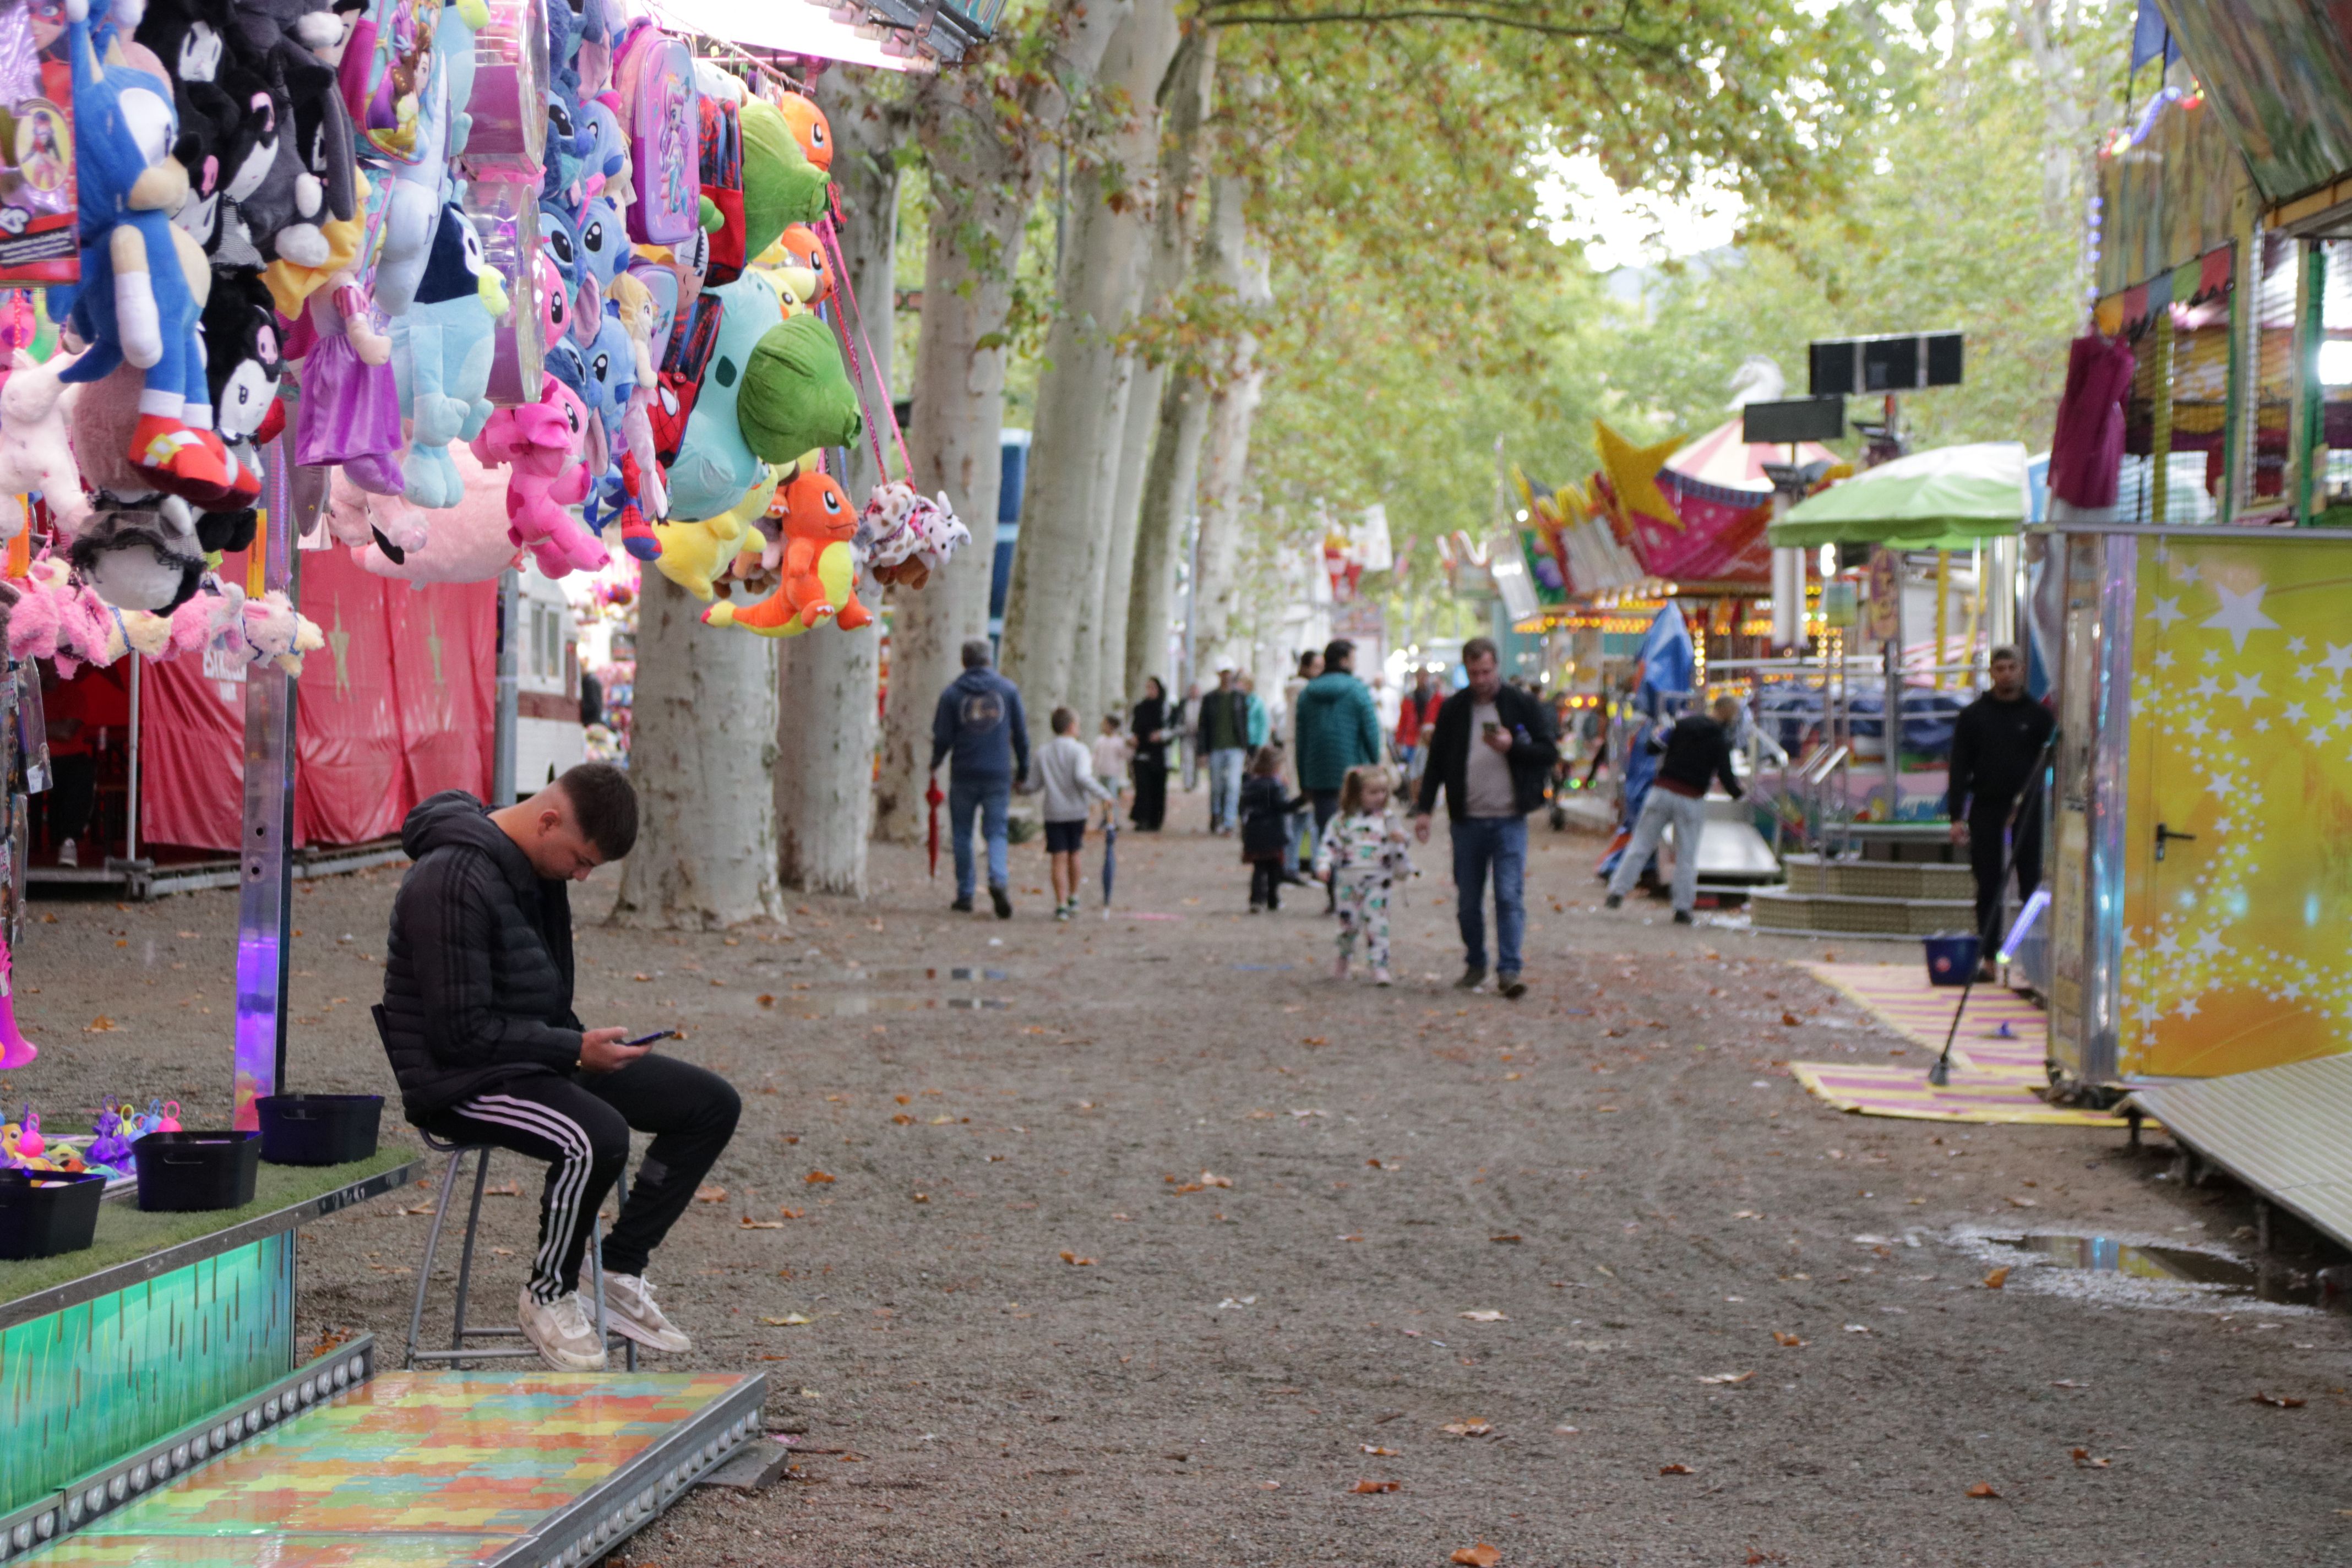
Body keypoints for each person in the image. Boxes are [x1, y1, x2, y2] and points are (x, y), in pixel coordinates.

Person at [377, 765, 739, 1372]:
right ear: (548, 820)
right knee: (597, 1136)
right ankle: (548, 1292)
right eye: (581, 859)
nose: (581, 875)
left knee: (710, 1104)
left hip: (530, 1057)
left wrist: (581, 1046)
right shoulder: (449, 879)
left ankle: (618, 1267)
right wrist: (573, 1051)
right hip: (457, 1080)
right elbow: (458, 1034)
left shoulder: (534, 868)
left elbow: (539, 1002)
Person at [1413, 638, 1560, 997]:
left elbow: (1548, 751)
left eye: (1487, 671)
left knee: (1509, 895)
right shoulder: (1454, 709)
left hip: (1510, 818)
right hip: (1467, 820)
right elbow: (1436, 763)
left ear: (1497, 667)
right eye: (1475, 673)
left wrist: (1515, 747)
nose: (1481, 679)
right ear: (1467, 670)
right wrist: (1424, 809)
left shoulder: (1521, 704)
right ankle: (1476, 962)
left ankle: (1509, 969)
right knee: (1468, 900)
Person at [1947, 646, 2056, 963]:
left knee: (2030, 882)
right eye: (2000, 668)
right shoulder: (1973, 717)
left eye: (2012, 667)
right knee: (1988, 883)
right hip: (1986, 807)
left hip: (2027, 809)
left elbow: (2054, 761)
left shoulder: (2039, 717)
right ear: (1992, 673)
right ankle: (1989, 958)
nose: (2006, 674)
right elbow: (1958, 766)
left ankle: (2031, 957)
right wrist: (1956, 817)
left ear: (2022, 670)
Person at [1603, 694, 1744, 925]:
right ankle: (1682, 908)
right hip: (1692, 798)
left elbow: (1652, 747)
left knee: (1640, 844)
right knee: (1686, 856)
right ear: (1727, 711)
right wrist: (1738, 794)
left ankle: (1617, 893)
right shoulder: (1720, 737)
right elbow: (1726, 774)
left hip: (1662, 791)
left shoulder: (1682, 724)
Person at [930, 638, 1030, 918]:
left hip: (964, 771)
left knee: (962, 833)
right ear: (990, 659)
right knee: (997, 831)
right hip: (998, 772)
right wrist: (1023, 769)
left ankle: (965, 894)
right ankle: (998, 878)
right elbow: (1021, 735)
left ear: (964, 661)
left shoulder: (952, 694)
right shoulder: (1008, 691)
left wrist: (936, 761)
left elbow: (943, 736)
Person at [1295, 639, 1385, 906]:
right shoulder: (1358, 691)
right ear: (1345, 661)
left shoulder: (1307, 693)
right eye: (1354, 658)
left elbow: (1301, 740)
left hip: (1319, 774)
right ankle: (1354, 892)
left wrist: (1304, 778)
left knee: (1328, 835)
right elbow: (1371, 731)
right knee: (1355, 834)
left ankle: (1334, 893)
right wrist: (1374, 766)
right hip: (1353, 774)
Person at [1315, 764, 1413, 986]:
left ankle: (1379, 966)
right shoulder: (1342, 821)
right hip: (1349, 882)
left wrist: (1402, 839)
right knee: (1348, 926)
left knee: (1378, 925)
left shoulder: (1388, 819)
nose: (1380, 797)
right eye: (1373, 792)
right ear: (1358, 794)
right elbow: (1329, 844)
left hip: (1379, 881)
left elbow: (1404, 841)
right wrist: (1324, 864)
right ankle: (1343, 958)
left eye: (1383, 792)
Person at [1036, 706, 1114, 921]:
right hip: (1076, 811)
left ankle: (1060, 903)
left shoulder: (1043, 752)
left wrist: (1018, 785)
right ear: (1072, 727)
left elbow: (1033, 784)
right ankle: (1074, 896)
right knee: (1075, 854)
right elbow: (1083, 777)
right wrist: (1104, 794)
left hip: (1053, 812)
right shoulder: (1080, 751)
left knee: (1058, 858)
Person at [1238, 745, 1306, 912]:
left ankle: (1256, 900)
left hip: (1254, 832)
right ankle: (1273, 899)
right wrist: (1301, 800)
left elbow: (1242, 808)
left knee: (1259, 868)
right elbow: (1282, 807)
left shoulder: (1249, 785)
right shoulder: (1275, 786)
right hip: (1273, 832)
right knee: (1274, 869)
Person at [1197, 662, 1251, 834]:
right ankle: (1216, 816)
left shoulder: (1240, 697)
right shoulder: (1210, 698)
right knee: (1217, 786)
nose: (1226, 676)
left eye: (1229, 673)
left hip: (1236, 748)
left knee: (1234, 785)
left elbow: (1244, 724)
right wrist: (1202, 751)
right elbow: (1203, 726)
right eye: (1223, 673)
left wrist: (1247, 749)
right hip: (1215, 747)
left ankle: (1229, 822)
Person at [1129, 677, 1172, 830]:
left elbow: (1173, 729)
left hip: (1160, 756)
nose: (1150, 691)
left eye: (1153, 688)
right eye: (1148, 687)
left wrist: (1162, 735)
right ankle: (1142, 819)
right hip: (1142, 754)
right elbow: (1131, 728)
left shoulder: (1166, 708)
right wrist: (1132, 738)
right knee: (1142, 789)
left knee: (1158, 789)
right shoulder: (1139, 708)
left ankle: (1156, 820)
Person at [1090, 712, 1132, 808]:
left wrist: (1130, 747)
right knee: (1103, 797)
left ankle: (1112, 820)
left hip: (1113, 774)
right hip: (1101, 772)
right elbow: (1095, 755)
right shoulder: (1100, 740)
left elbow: (1125, 755)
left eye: (1105, 724)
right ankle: (1105, 818)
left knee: (1112, 797)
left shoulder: (1119, 741)